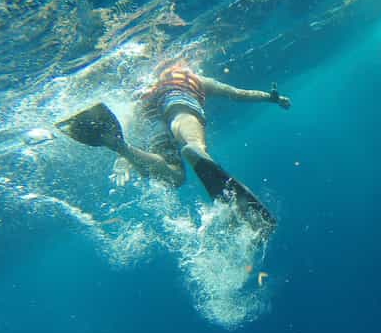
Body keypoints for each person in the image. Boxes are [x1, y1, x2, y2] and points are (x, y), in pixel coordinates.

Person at [56, 62, 290, 227]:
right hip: (181, 98)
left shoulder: (148, 90)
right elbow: (238, 93)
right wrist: (272, 98)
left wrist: (122, 159)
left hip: (150, 113)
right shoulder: (194, 78)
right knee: (185, 128)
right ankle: (195, 149)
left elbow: (129, 124)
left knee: (175, 176)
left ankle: (121, 147)